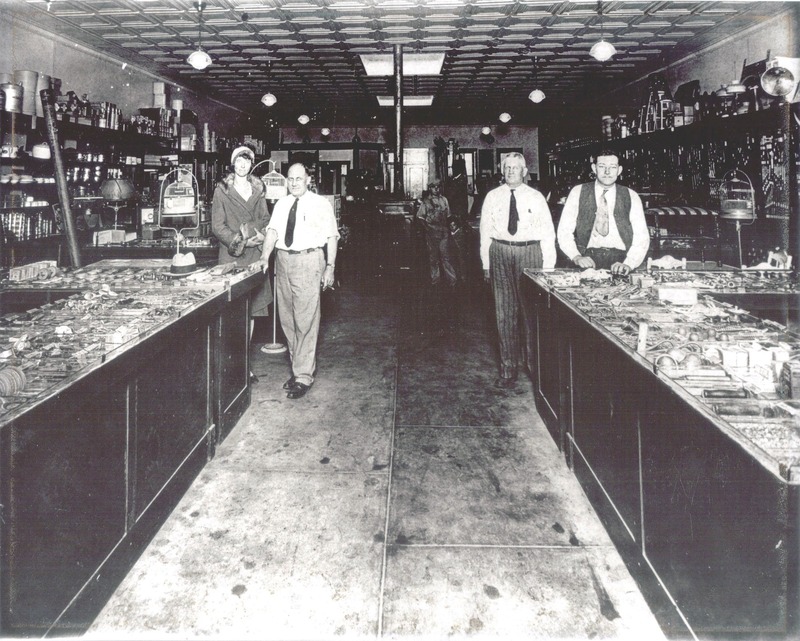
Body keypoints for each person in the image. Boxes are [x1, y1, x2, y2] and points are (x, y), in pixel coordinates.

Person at [256, 163, 339, 400]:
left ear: (308, 180)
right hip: (283, 262)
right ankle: (297, 368)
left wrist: (330, 268)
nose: (293, 183)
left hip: (309, 260)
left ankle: (303, 375)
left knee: (306, 319)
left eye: (298, 179)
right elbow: (272, 233)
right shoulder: (282, 204)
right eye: (290, 179)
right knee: (288, 320)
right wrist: (264, 256)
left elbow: (332, 237)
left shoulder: (320, 204)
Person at [480, 152, 556, 389]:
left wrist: (549, 268)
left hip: (530, 253)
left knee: (530, 313)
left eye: (516, 167)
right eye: (507, 167)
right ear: (503, 171)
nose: (511, 171)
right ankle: (507, 369)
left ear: (525, 171)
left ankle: (535, 369)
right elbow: (484, 232)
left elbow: (548, 234)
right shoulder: (492, 196)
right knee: (504, 313)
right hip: (500, 252)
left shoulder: (536, 197)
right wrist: (486, 264)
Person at [211, 145, 271, 382]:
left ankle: (244, 366)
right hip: (232, 257)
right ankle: (230, 367)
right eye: (238, 160)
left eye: (246, 161)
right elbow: (218, 226)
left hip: (255, 256)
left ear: (252, 163)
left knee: (252, 312)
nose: (242, 165)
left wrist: (255, 235)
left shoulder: (258, 189)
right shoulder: (222, 190)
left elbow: (266, 219)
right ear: (232, 163)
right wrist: (241, 241)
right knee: (233, 312)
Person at [556, 149, 649, 276]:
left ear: (619, 170)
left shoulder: (631, 196)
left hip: (621, 260)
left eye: (612, 167)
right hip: (587, 260)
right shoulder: (578, 192)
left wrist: (629, 263)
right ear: (594, 168)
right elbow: (564, 231)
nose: (607, 172)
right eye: (602, 166)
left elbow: (641, 236)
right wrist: (576, 256)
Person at [416, 180, 452, 286]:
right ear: (430, 189)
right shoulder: (426, 202)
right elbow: (420, 218)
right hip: (432, 233)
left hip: (444, 232)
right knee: (433, 258)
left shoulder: (444, 200)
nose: (436, 189)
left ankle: (452, 281)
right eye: (433, 187)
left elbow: (449, 216)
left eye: (438, 187)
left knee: (446, 257)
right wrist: (427, 229)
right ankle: (435, 281)